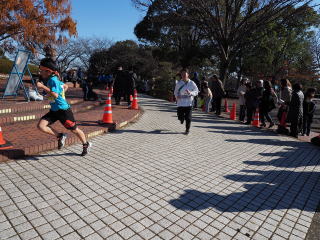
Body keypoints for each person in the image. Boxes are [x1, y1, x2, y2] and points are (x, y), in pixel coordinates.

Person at [36, 58, 92, 156]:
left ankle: (85, 144)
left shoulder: (53, 80)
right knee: (41, 126)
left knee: (74, 130)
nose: (40, 72)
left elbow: (55, 95)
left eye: (41, 70)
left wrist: (42, 87)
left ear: (48, 71)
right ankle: (60, 136)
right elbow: (65, 86)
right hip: (54, 111)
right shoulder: (52, 79)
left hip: (63, 111)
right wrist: (62, 95)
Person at [174, 68, 199, 135]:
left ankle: (187, 130)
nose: (183, 75)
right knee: (180, 117)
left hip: (189, 103)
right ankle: (181, 119)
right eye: (182, 74)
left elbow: (196, 91)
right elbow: (175, 92)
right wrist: (177, 96)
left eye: (185, 74)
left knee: (188, 118)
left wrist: (191, 93)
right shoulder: (179, 83)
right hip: (180, 103)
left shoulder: (192, 83)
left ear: (188, 74)